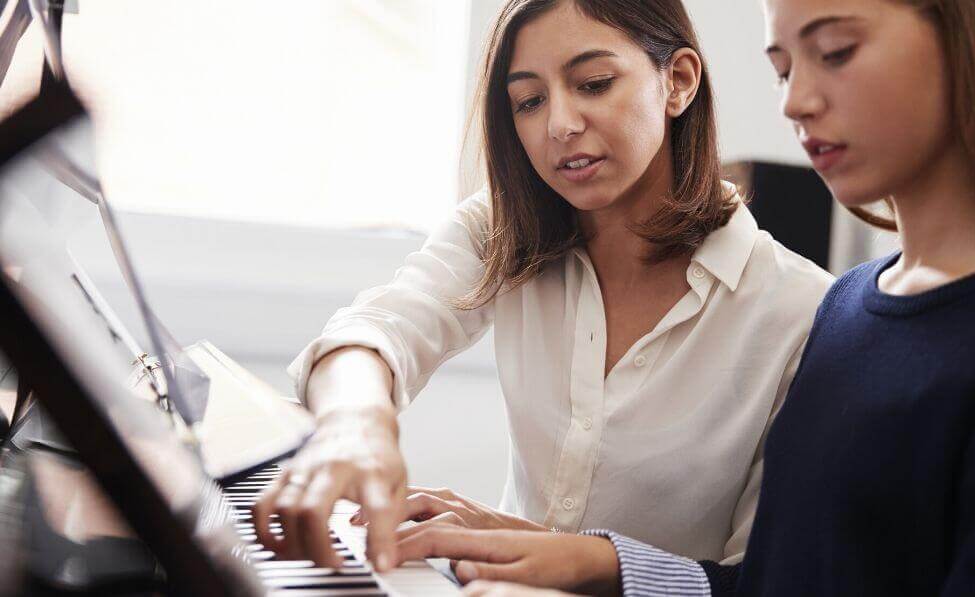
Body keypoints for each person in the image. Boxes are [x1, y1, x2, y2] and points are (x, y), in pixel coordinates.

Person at [395, 0, 975, 595]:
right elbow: (771, 579)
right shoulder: (851, 309)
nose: (795, 102)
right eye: (782, 68)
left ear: (967, 40)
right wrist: (578, 560)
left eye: (836, 51)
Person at [252, 0, 833, 573]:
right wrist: (355, 425)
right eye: (528, 101)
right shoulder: (503, 233)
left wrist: (557, 557)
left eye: (594, 83)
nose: (559, 125)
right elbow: (379, 328)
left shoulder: (800, 313)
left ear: (677, 82)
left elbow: (759, 578)